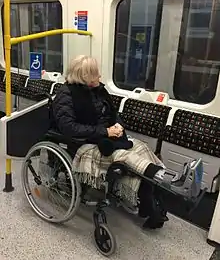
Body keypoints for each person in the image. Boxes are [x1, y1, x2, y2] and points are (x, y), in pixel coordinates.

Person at [52, 55, 168, 229]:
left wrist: (118, 126)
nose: (99, 76)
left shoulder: (98, 90)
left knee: (140, 146)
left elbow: (112, 114)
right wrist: (105, 131)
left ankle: (152, 191)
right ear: (85, 78)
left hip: (106, 136)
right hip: (83, 142)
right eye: (95, 74)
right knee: (123, 158)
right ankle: (156, 180)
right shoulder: (66, 95)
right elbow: (69, 128)